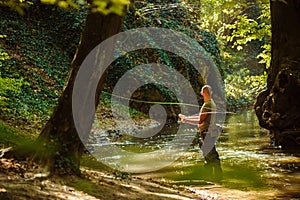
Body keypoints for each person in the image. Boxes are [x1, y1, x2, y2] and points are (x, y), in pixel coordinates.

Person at [178, 85, 222, 180]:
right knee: (207, 155)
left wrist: (186, 119)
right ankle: (210, 177)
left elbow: (200, 120)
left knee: (212, 156)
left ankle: (218, 178)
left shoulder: (208, 105)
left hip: (208, 133)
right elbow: (200, 117)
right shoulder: (209, 103)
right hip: (207, 132)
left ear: (203, 93)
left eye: (201, 92)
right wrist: (186, 118)